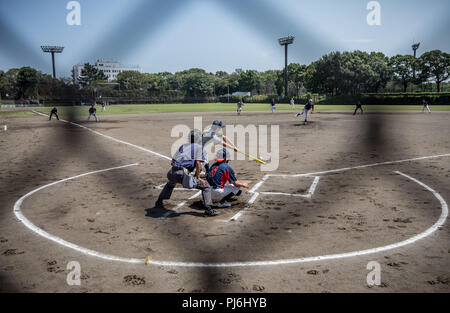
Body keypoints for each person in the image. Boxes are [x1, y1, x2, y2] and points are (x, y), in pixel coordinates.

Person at [154, 130, 219, 217]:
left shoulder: (183, 146)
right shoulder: (199, 148)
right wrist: (198, 177)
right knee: (206, 186)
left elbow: (172, 162)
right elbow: (198, 163)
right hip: (181, 174)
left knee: (171, 183)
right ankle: (208, 209)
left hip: (171, 172)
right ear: (199, 139)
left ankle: (159, 202)